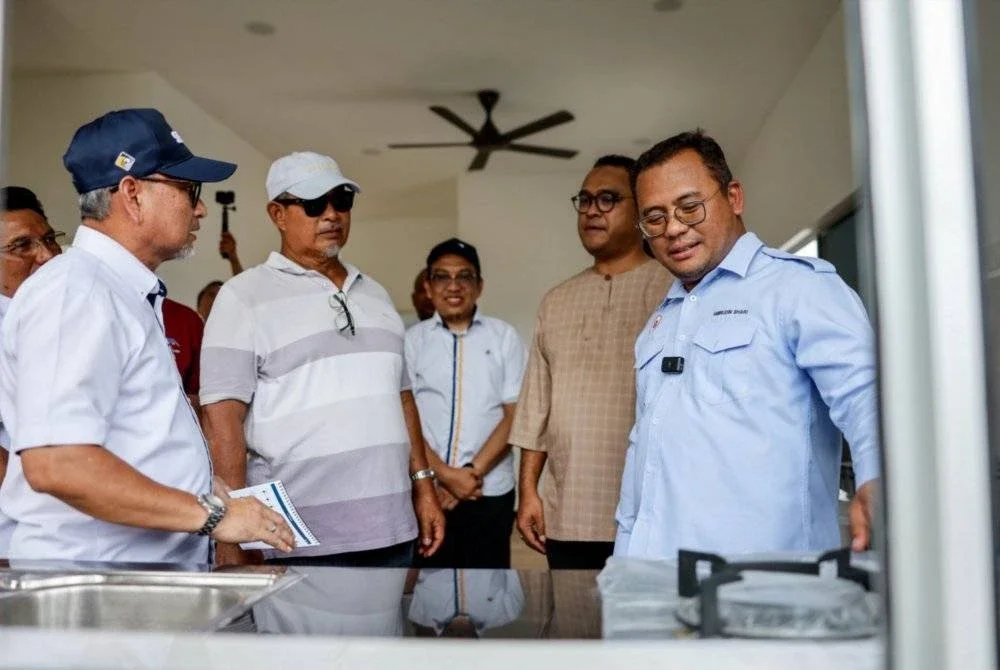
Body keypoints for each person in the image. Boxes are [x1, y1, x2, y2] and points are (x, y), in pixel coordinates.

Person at [0, 108, 293, 562]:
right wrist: (212, 515)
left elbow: (136, 438)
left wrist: (202, 486)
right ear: (132, 194)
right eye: (186, 189)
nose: (199, 208)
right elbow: (58, 463)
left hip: (131, 580)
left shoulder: (120, 291)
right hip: (100, 584)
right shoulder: (76, 292)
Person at [614, 129, 878, 560]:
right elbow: (645, 444)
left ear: (733, 197)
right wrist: (624, 561)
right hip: (654, 578)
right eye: (655, 218)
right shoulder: (661, 321)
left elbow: (865, 395)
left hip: (764, 582)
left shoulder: (798, 289)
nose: (674, 229)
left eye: (690, 207)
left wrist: (876, 477)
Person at [200, 150, 445, 567]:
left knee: (387, 631)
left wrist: (423, 486)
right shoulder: (243, 297)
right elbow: (222, 419)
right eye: (314, 205)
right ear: (278, 214)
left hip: (392, 528)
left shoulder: (377, 294)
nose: (331, 214)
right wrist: (231, 532)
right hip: (293, 536)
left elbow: (401, 397)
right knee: (303, 635)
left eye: (342, 201)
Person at [511, 155, 672, 570]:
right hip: (569, 514)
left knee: (647, 631)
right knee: (575, 628)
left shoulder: (672, 288)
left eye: (607, 199)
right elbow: (535, 408)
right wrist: (528, 491)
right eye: (584, 200)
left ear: (638, 211)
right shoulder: (557, 299)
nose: (592, 210)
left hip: (652, 512)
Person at [405, 238, 526, 568]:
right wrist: (442, 475)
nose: (453, 286)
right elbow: (407, 417)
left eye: (464, 276)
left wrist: (470, 474)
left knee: (488, 587)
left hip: (488, 490)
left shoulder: (504, 337)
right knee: (429, 595)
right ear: (428, 287)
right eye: (442, 277)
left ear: (480, 285)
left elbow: (516, 415)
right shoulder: (412, 342)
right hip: (430, 491)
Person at [0, 186, 64, 555]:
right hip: (17, 539)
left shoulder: (59, 310)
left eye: (50, 239)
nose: (46, 256)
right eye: (22, 246)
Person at [195, 230, 243, 322]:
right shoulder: (188, 332)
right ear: (199, 306)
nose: (217, 299)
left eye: (221, 296)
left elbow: (243, 292)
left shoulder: (235, 332)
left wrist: (233, 257)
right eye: (212, 295)